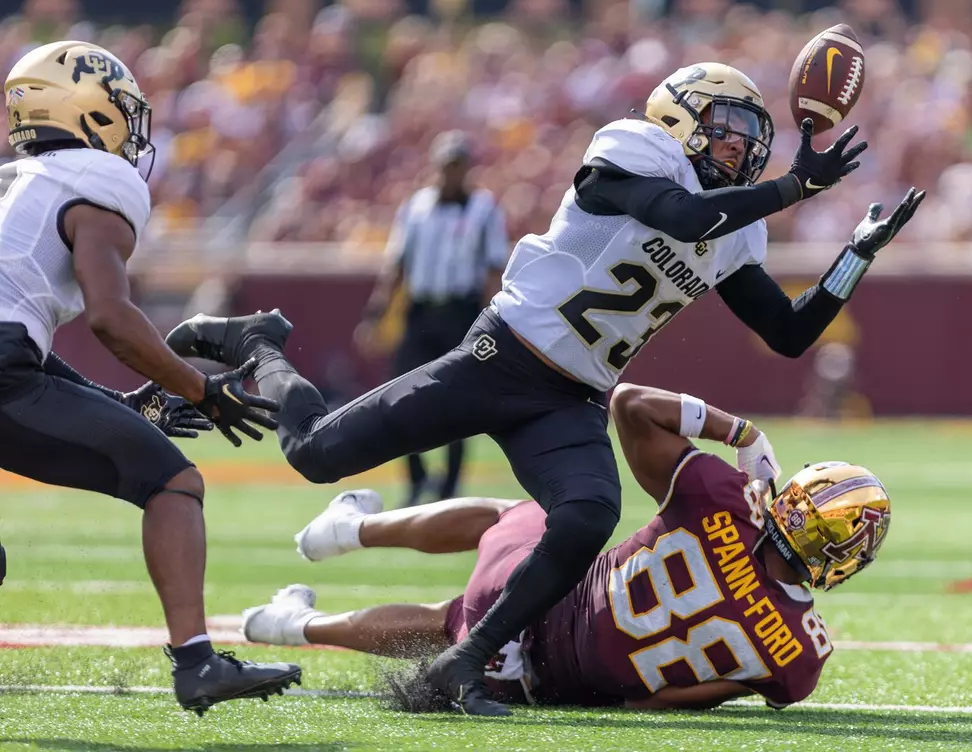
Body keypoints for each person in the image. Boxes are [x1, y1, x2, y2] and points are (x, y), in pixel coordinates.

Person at [165, 61, 921, 716]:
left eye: (750, 137)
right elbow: (681, 215)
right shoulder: (632, 150)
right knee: (317, 453)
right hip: (503, 356)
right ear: (677, 115)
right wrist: (793, 186)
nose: (741, 146)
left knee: (591, 510)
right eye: (727, 126)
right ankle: (260, 342)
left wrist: (854, 256)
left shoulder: (737, 226)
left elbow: (787, 334)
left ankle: (468, 658)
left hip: (572, 396)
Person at [240, 383, 891, 711]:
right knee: (445, 627)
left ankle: (348, 529)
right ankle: (289, 625)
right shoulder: (801, 659)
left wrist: (738, 431)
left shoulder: (726, 499)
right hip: (546, 683)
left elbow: (631, 403)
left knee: (518, 516)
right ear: (846, 557)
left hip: (534, 597)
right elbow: (662, 699)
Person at [0, 41, 301, 715]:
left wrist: (120, 404)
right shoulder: (92, 181)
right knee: (173, 482)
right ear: (89, 112)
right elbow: (112, 318)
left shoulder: (16, 183)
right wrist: (201, 388)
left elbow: (24, 346)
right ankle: (197, 663)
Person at [354, 131, 509, 507]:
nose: (452, 172)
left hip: (462, 312)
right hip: (421, 311)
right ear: (437, 166)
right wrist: (377, 311)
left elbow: (492, 268)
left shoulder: (484, 209)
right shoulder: (416, 207)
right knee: (400, 396)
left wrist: (494, 320)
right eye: (447, 165)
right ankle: (416, 477)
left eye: (458, 165)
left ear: (467, 168)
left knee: (456, 401)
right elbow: (398, 264)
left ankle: (449, 485)